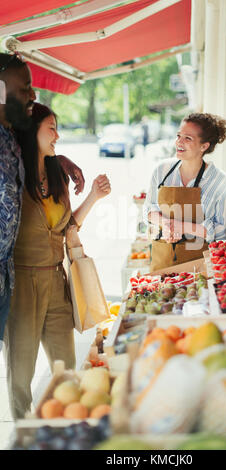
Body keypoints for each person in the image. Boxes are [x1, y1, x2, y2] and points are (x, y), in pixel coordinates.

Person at [3, 102, 111, 420]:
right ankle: (24, 431)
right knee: (20, 374)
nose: (58, 135)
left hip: (57, 281)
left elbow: (67, 228)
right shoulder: (11, 176)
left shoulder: (57, 174)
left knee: (65, 367)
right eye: (51, 127)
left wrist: (92, 196)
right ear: (31, 130)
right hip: (21, 285)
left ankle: (66, 427)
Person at [0, 53, 84, 350]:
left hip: (9, 279)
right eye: (24, 88)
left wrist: (57, 158)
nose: (33, 94)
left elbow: (28, 150)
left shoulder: (10, 139)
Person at [143, 113, 226, 271]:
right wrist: (166, 224)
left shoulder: (219, 182)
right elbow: (149, 209)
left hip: (200, 270)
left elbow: (221, 232)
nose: (179, 142)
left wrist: (182, 227)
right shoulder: (162, 171)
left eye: (188, 138)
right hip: (162, 265)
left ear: (204, 146)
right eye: (178, 135)